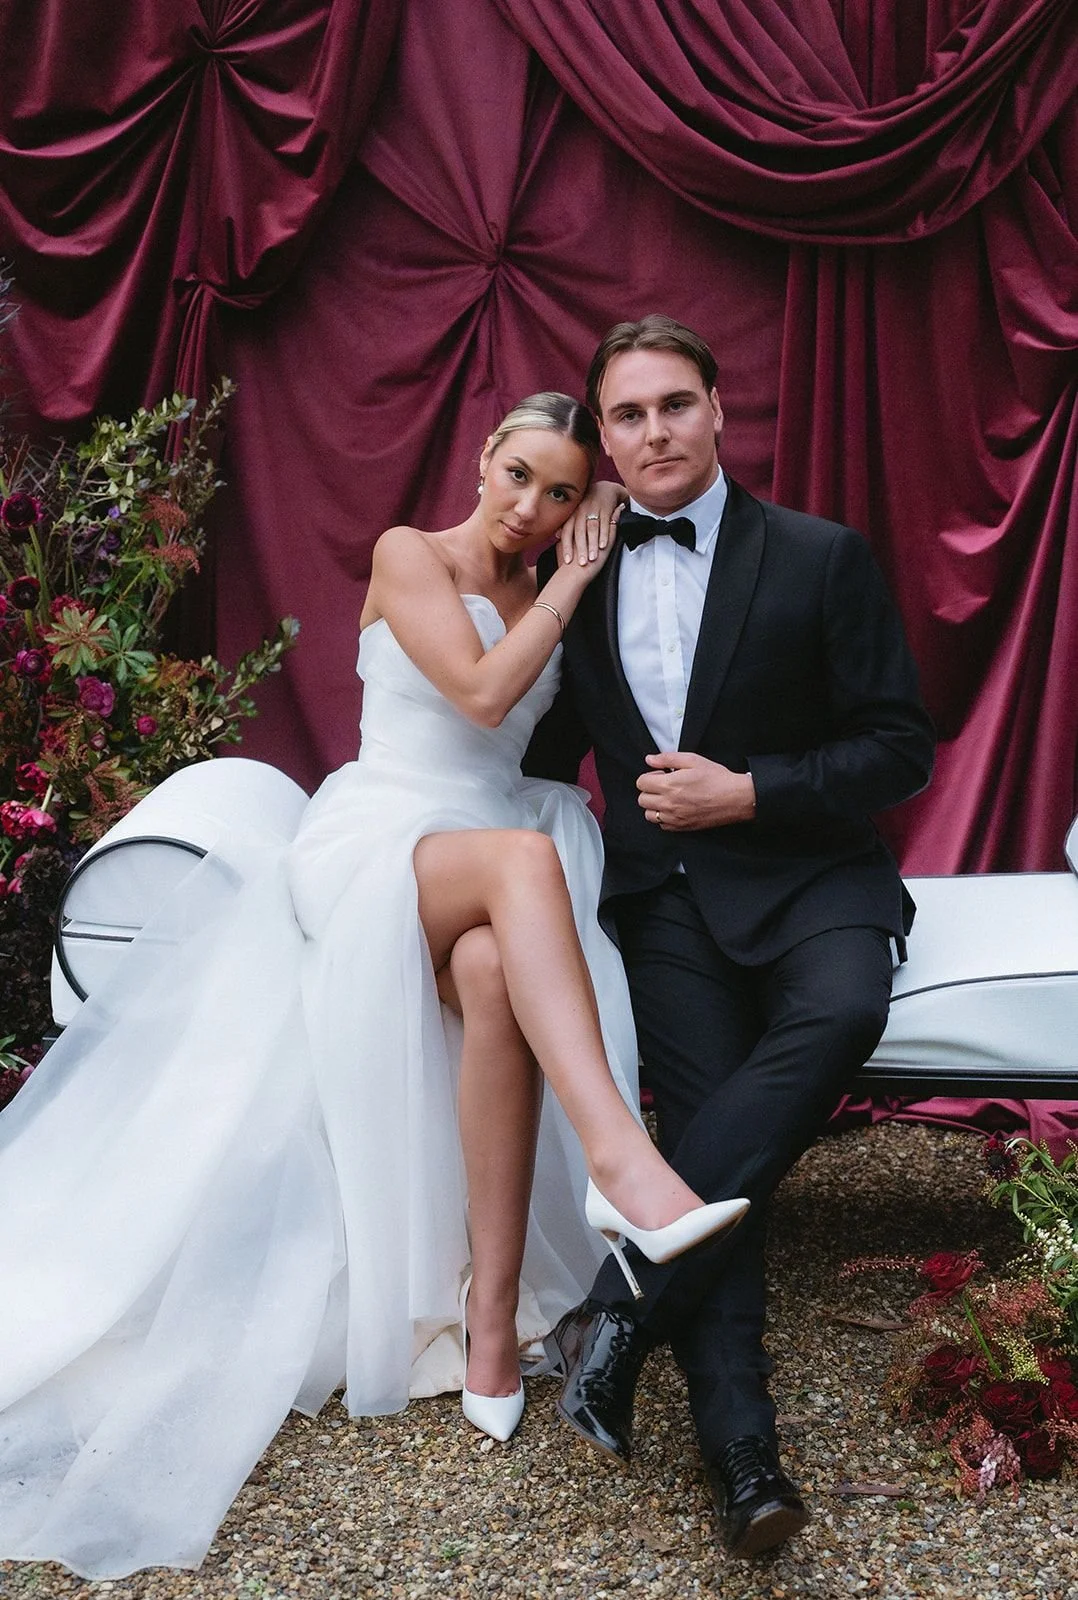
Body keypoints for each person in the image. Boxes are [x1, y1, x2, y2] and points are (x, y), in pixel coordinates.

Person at [0, 392, 746, 1581]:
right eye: (517, 476)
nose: (531, 508)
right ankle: (624, 1165)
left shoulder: (552, 557)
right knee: (526, 862)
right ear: (481, 460)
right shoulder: (414, 555)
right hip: (379, 843)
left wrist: (604, 510)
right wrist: (570, 574)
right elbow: (486, 697)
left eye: (558, 492)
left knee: (501, 962)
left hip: (488, 855)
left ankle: (491, 1329)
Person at [523, 318, 936, 1559]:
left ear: (718, 410)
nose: (654, 432)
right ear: (604, 437)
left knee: (844, 1011)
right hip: (669, 904)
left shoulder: (819, 556)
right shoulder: (576, 571)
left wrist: (749, 789)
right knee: (713, 1168)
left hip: (813, 875)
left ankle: (616, 1308)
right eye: (628, 415)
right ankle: (745, 1463)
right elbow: (533, 749)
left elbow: (897, 746)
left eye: (674, 405)